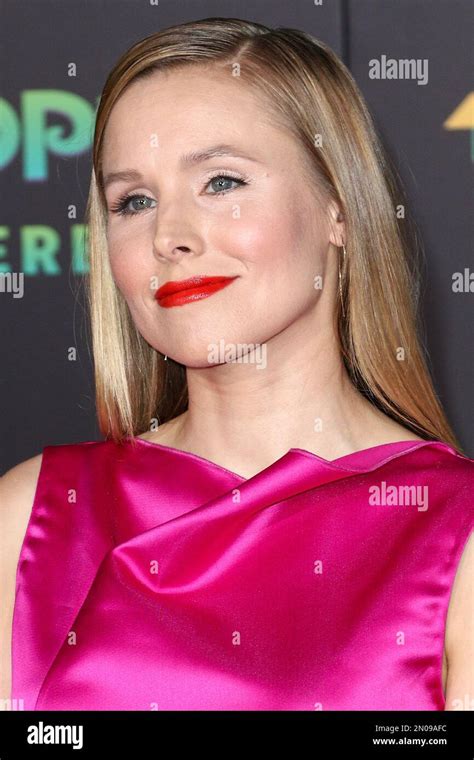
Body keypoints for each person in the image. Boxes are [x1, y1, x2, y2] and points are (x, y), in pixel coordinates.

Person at [1, 17, 472, 711]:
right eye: (134, 201)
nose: (169, 237)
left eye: (221, 182)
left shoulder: (456, 529)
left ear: (338, 207)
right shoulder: (29, 517)